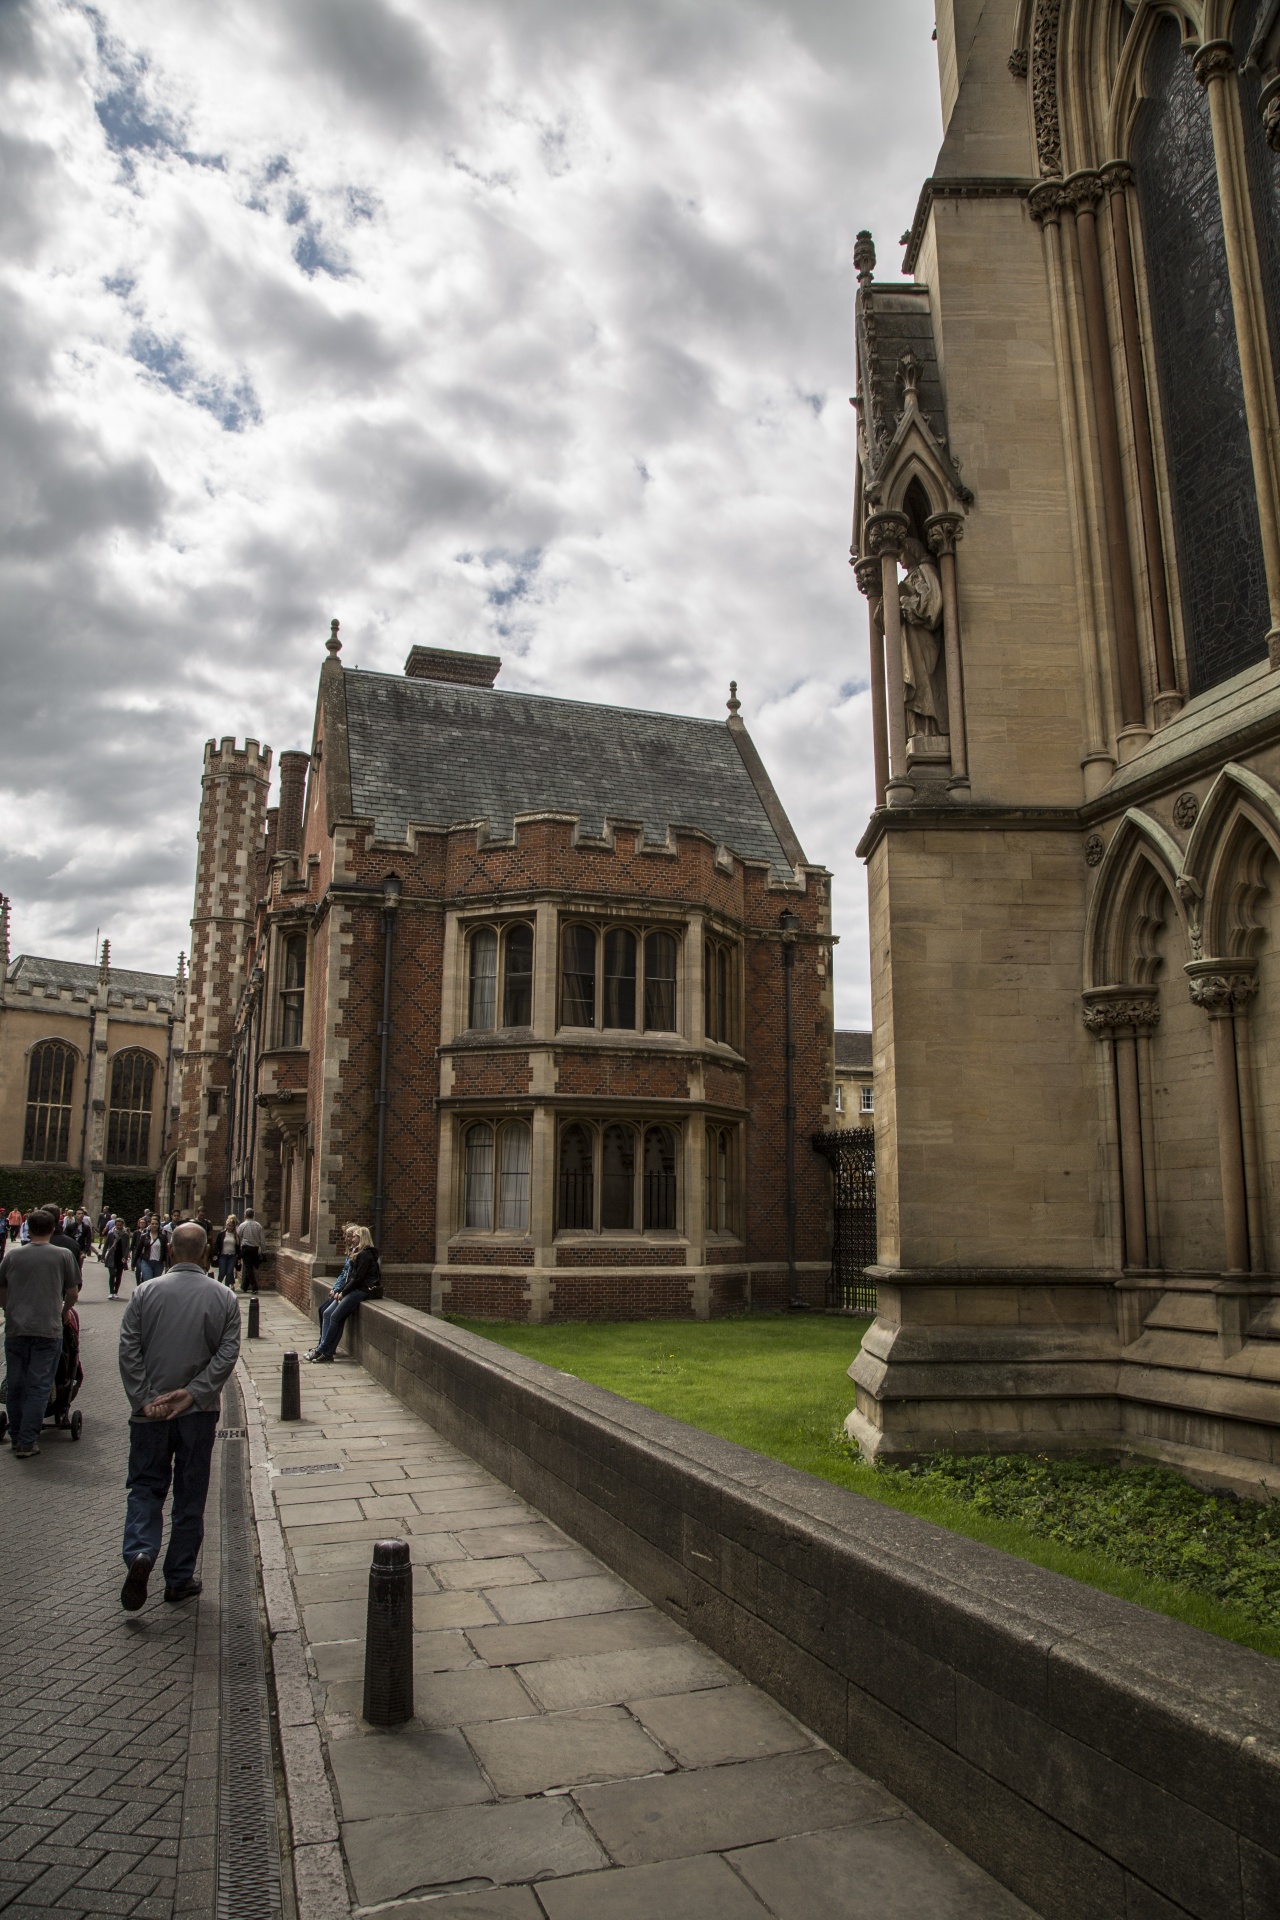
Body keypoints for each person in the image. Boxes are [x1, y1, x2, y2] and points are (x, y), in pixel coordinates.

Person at [117, 1221, 240, 1610]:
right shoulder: (224, 1297)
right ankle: (179, 1578)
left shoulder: (143, 1292)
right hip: (198, 1414)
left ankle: (140, 1552)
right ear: (207, 1253)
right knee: (190, 1495)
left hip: (150, 1415)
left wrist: (144, 1400)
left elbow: (128, 1350)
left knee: (145, 1488)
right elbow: (227, 1354)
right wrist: (194, 1393)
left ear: (170, 1251)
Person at [0, 1209, 81, 1458]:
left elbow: (2, 1291)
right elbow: (73, 1292)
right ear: (53, 1227)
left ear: (28, 1227)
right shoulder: (63, 1255)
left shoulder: (13, 1256)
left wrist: (8, 1310)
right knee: (39, 1386)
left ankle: (16, 1437)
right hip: (48, 1329)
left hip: (16, 1328)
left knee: (15, 1384)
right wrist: (64, 1311)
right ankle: (27, 1441)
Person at [306, 1225, 380, 1363]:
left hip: (360, 1291)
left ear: (361, 1237)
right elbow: (350, 1276)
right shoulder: (359, 1253)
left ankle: (323, 1350)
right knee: (327, 1313)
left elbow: (357, 1278)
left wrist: (343, 1292)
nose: (352, 1239)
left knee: (335, 1316)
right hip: (351, 1289)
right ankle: (324, 1350)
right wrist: (340, 1290)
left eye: (354, 1236)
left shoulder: (365, 1254)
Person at [236, 1209, 265, 1293]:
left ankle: (254, 1287)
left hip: (246, 1248)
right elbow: (262, 1239)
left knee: (248, 1268)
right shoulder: (258, 1225)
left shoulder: (242, 1225)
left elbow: (238, 1236)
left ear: (245, 1215)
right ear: (253, 1215)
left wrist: (238, 1247)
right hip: (255, 1248)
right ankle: (244, 1286)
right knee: (250, 1266)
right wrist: (263, 1249)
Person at [104, 1219, 130, 1298]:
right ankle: (111, 1292)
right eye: (117, 1225)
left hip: (120, 1257)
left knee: (119, 1275)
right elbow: (106, 1245)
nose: (119, 1227)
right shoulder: (111, 1234)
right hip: (112, 1256)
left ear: (123, 1225)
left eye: (120, 1225)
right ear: (115, 1225)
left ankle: (116, 1292)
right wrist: (102, 1256)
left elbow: (126, 1247)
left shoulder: (125, 1235)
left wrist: (125, 1257)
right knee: (112, 1274)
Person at [213, 1215, 238, 1287]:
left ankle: (226, 1286)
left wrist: (238, 1257)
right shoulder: (221, 1234)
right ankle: (218, 1285)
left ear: (234, 1227)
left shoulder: (235, 1235)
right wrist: (215, 1254)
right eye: (228, 1225)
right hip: (223, 1255)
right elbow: (217, 1244)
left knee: (229, 1272)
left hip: (232, 1256)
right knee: (222, 1272)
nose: (229, 1227)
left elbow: (238, 1247)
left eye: (231, 1226)